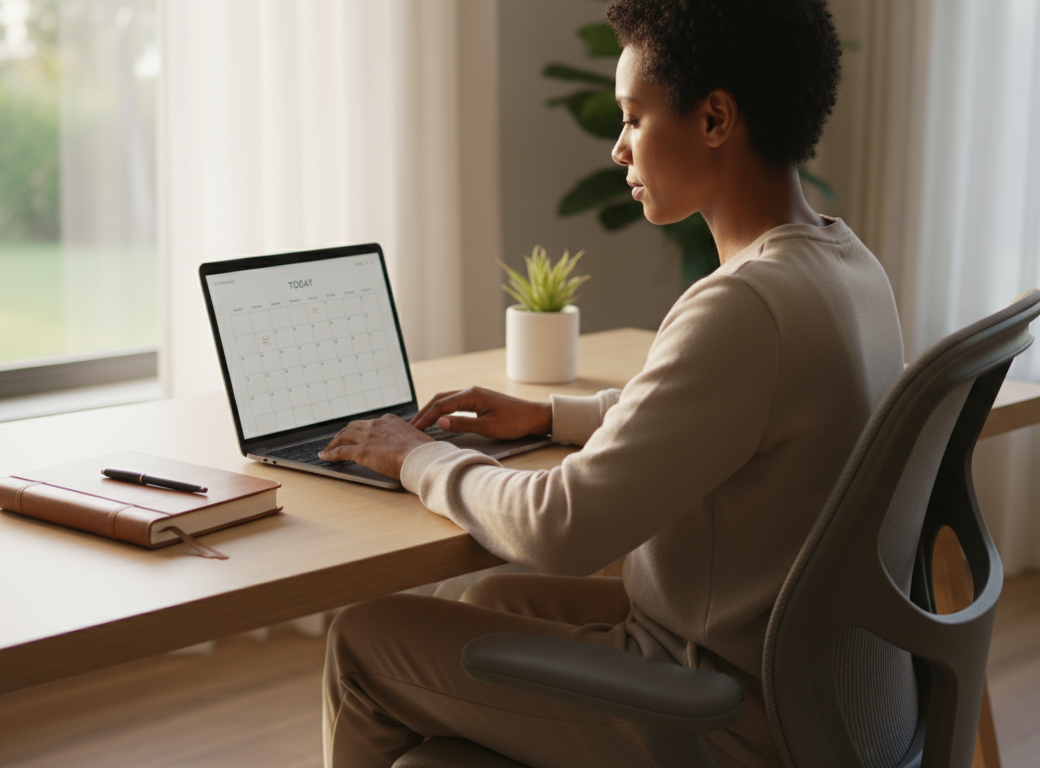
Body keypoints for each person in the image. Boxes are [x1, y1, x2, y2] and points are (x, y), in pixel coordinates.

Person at [316, 0, 905, 766]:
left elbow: (564, 526)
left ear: (715, 119)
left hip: (734, 715)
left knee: (365, 640)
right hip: (807, 682)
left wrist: (415, 457)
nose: (619, 148)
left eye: (633, 117)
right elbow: (732, 413)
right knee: (492, 602)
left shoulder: (745, 304)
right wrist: (551, 415)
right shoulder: (843, 264)